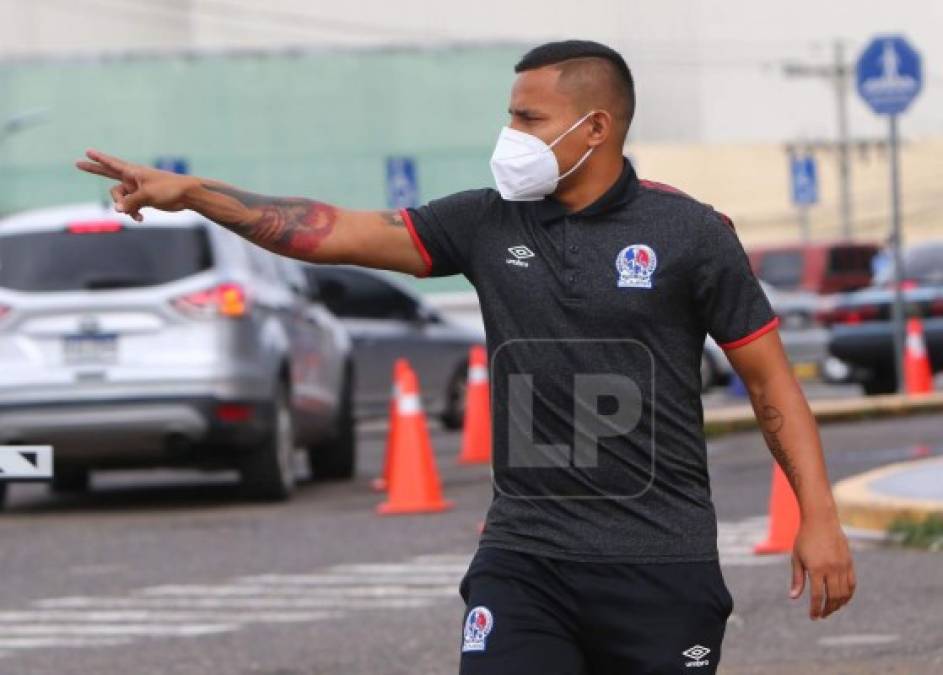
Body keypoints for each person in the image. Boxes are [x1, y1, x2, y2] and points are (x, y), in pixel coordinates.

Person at [76, 39, 855, 675]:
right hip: (524, 558)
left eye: (527, 117)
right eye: (508, 115)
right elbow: (333, 230)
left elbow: (769, 383)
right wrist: (198, 193)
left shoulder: (690, 234)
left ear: (592, 128)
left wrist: (817, 517)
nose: (509, 134)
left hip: (658, 561)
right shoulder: (484, 222)